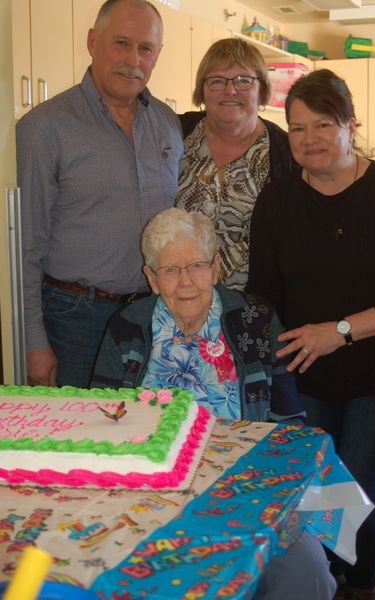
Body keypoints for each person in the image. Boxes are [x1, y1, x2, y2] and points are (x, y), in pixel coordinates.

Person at [91, 206, 336, 599]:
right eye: (169, 270)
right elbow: (105, 421)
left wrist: (276, 493)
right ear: (151, 279)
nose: (185, 281)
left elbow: (289, 420)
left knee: (307, 571)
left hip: (250, 484)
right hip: (153, 492)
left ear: (217, 268)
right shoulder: (127, 326)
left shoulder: (254, 318)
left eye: (197, 266)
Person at [247, 68, 375, 600]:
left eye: (322, 124)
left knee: (349, 495)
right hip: (303, 376)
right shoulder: (277, 200)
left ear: (350, 125)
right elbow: (262, 292)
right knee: (318, 497)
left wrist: (339, 331)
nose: (308, 139)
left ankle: (358, 583)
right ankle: (340, 581)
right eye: (296, 128)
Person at [16, 0, 183, 388]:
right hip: (74, 320)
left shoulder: (168, 124)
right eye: (121, 43)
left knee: (147, 437)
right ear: (92, 42)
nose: (133, 59)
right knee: (80, 440)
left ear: (158, 55)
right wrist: (32, 343)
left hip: (152, 314)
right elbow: (25, 245)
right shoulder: (45, 127)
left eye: (146, 48)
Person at [175, 37, 296, 291]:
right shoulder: (175, 134)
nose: (230, 91)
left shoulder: (287, 153)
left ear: (261, 89)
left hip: (253, 307)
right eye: (217, 80)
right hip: (177, 298)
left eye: (243, 80)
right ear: (202, 90)